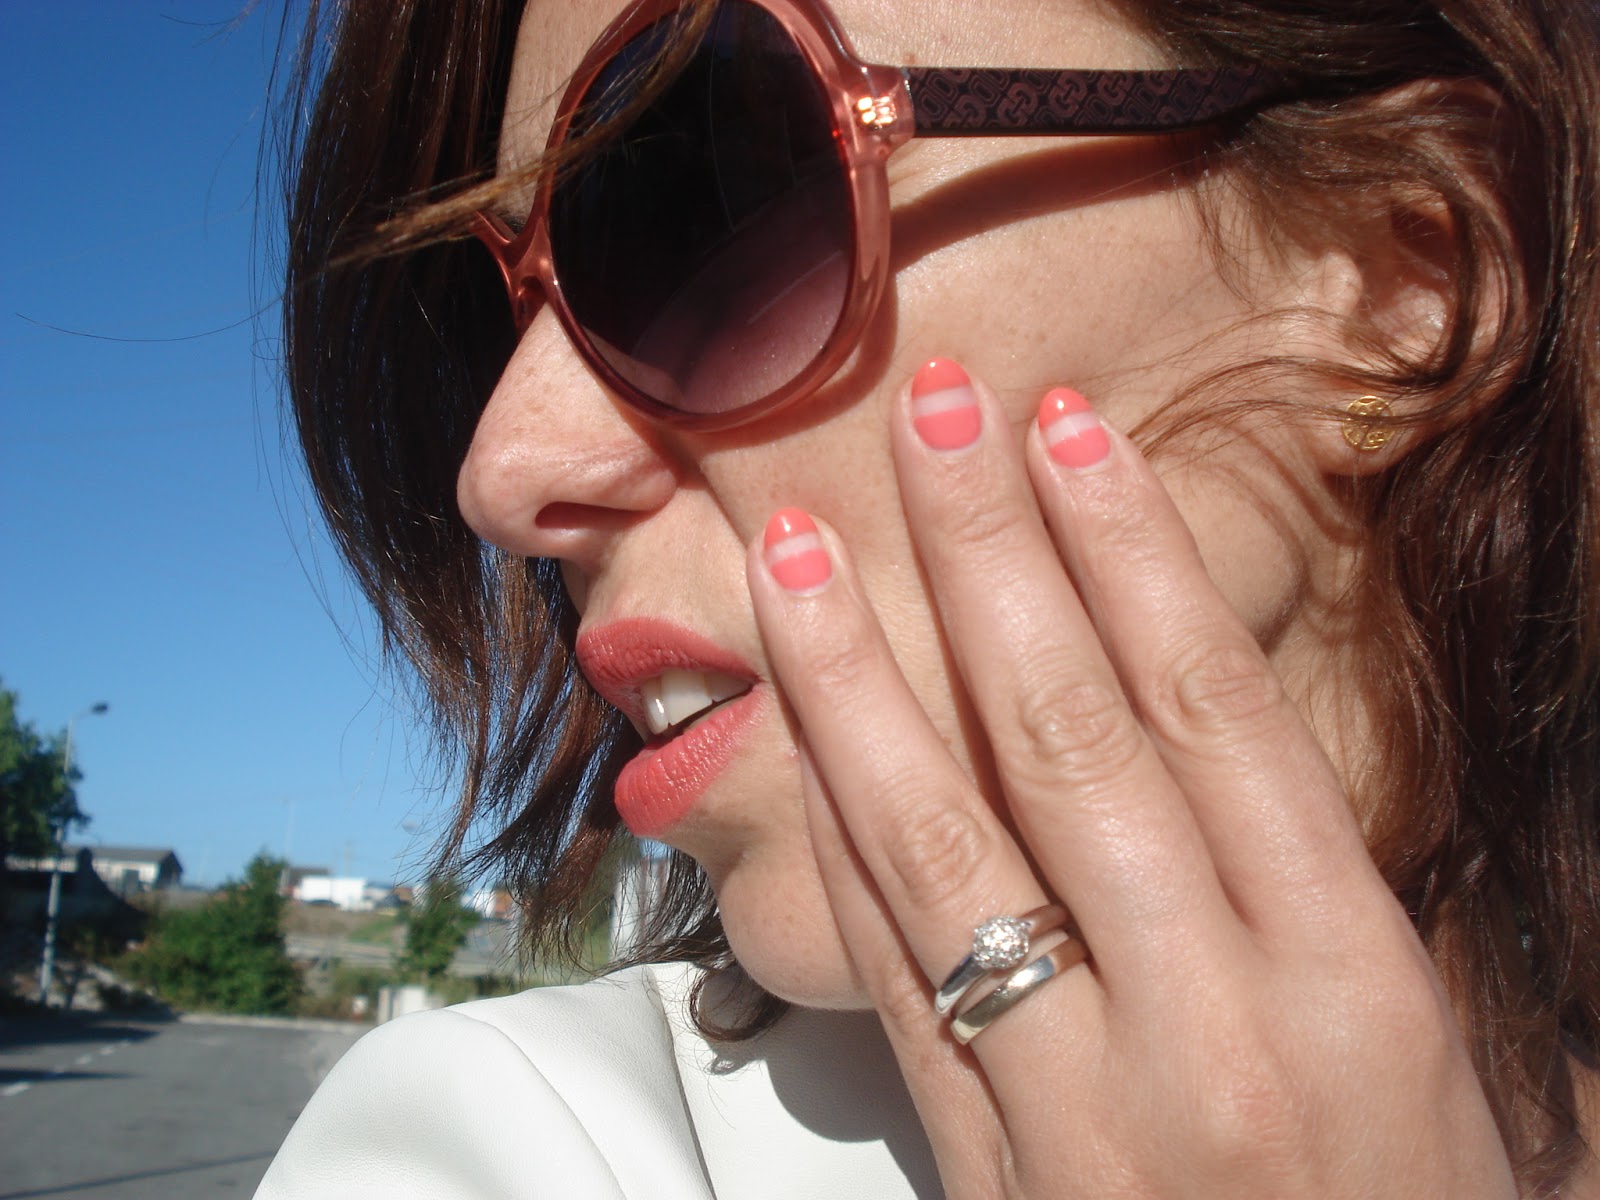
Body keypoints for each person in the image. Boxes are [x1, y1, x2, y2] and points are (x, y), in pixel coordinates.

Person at [257, 0, 1599, 1195]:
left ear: (1406, 276)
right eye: (499, 311)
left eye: (703, 202)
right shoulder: (507, 1147)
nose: (505, 466)